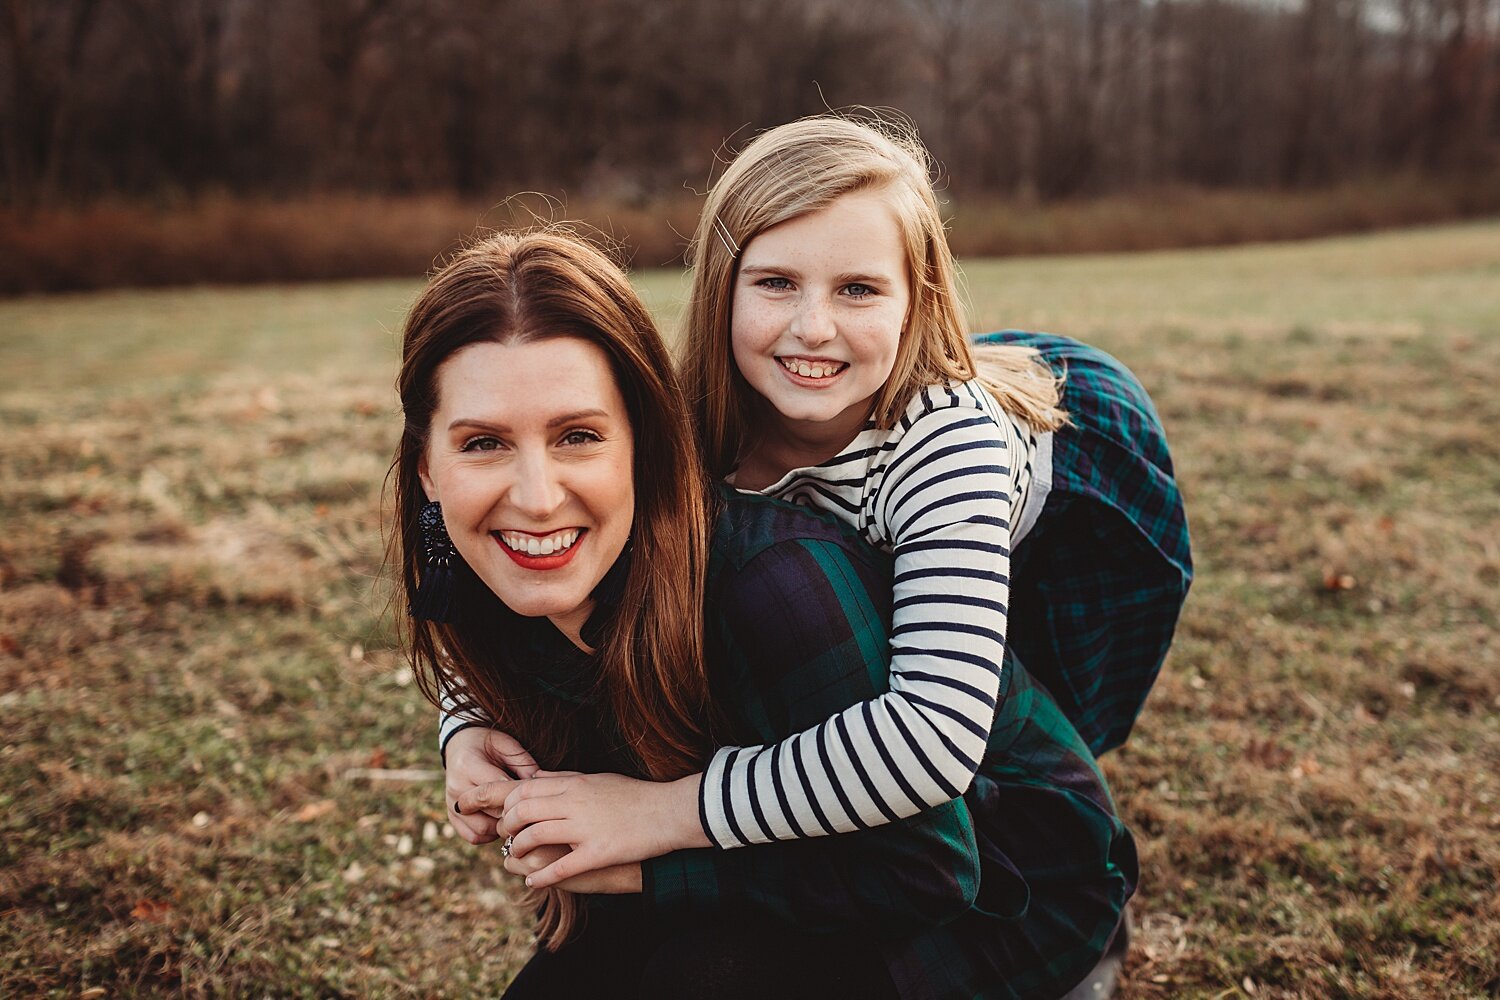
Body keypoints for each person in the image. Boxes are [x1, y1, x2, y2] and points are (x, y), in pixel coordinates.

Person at [443, 115, 1189, 901]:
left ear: (916, 300)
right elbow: (551, 556)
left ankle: (1053, 872)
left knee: (1004, 713)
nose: (813, 328)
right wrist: (463, 723)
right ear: (720, 287)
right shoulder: (695, 412)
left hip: (1068, 508)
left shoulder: (943, 444)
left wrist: (665, 813)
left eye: (859, 289)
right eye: (775, 283)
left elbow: (936, 735)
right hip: (868, 491)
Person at [399, 229, 1136, 998]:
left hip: (1009, 881)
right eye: (482, 444)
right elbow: (464, 646)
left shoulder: (775, 584)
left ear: (644, 444)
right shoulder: (474, 565)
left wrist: (653, 865)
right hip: (765, 854)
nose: (537, 496)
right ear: (427, 469)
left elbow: (930, 867)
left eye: (578, 436)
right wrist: (465, 725)